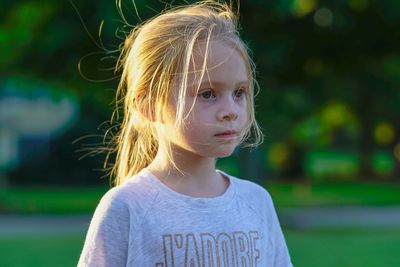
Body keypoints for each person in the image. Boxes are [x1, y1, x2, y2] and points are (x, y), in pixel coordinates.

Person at [78, 1, 293, 266]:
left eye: (239, 93)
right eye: (207, 94)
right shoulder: (128, 206)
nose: (231, 111)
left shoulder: (256, 202)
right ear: (149, 107)